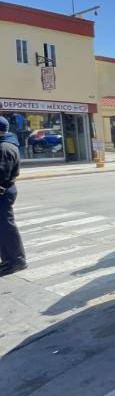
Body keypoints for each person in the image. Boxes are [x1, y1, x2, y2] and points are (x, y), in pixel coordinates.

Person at [0, 116, 27, 276]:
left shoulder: (4, 147)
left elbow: (2, 173)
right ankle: (9, 260)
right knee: (2, 228)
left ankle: (17, 260)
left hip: (3, 191)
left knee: (6, 227)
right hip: (5, 189)